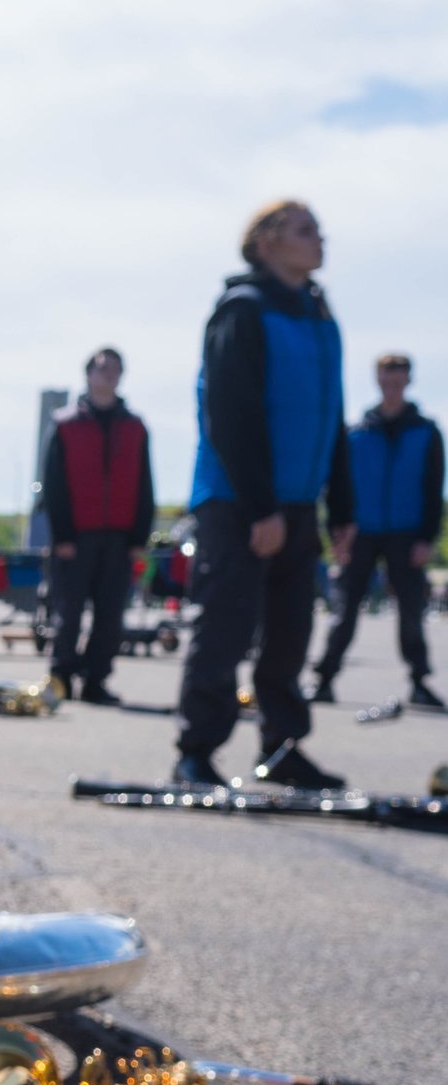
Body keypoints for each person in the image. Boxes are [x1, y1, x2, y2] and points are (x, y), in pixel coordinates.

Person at [176, 199, 353, 789]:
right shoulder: (241, 310)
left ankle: (280, 749)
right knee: (225, 628)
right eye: (306, 230)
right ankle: (196, 751)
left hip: (298, 504)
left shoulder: (319, 316)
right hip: (239, 502)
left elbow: (333, 416)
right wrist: (260, 507)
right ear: (268, 241)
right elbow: (231, 414)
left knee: (289, 634)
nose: (319, 239)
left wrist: (343, 510)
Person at [312, 353, 442, 708]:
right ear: (378, 380)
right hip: (361, 530)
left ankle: (419, 680)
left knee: (411, 611)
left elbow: (434, 490)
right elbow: (335, 486)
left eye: (399, 380)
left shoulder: (426, 433)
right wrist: (337, 533)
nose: (393, 386)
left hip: (406, 532)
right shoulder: (356, 433)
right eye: (387, 379)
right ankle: (324, 678)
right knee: (345, 609)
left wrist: (426, 538)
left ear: (408, 381)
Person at [40, 347, 155, 707]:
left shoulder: (134, 427)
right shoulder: (65, 423)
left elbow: (144, 484)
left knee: (110, 616)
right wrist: (62, 535)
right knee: (68, 612)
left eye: (116, 370)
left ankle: (96, 680)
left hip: (119, 538)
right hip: (76, 537)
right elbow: (53, 484)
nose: (109, 375)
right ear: (87, 374)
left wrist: (139, 536)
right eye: (102, 369)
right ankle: (60, 677)